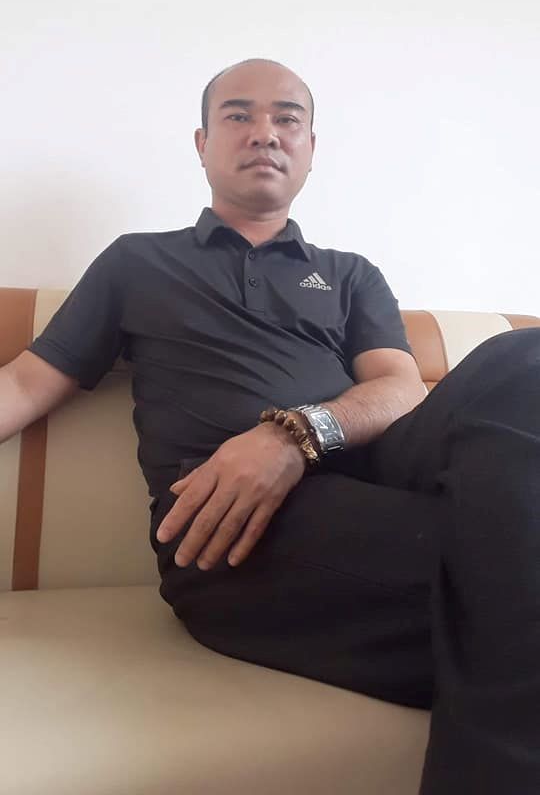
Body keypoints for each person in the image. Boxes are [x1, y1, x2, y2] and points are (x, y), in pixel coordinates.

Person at [1, 58, 538, 794]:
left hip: (369, 472)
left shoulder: (350, 273)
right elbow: (24, 383)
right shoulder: (137, 261)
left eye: (288, 118)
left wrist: (295, 434)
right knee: (511, 557)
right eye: (238, 115)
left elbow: (399, 388)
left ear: (311, 147)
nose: (265, 132)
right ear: (202, 143)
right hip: (225, 526)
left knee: (523, 357)